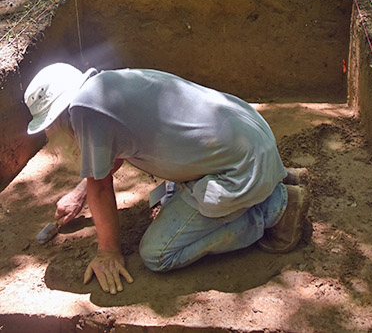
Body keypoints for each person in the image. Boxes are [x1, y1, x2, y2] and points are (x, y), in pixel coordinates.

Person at [25, 63, 311, 295]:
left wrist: (108, 252)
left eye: (48, 128)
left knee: (157, 255)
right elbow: (112, 157)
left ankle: (276, 208)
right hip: (250, 141)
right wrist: (79, 195)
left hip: (238, 169)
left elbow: (100, 187)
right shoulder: (105, 87)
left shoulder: (84, 113)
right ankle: (277, 178)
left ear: (56, 119)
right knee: (169, 191)